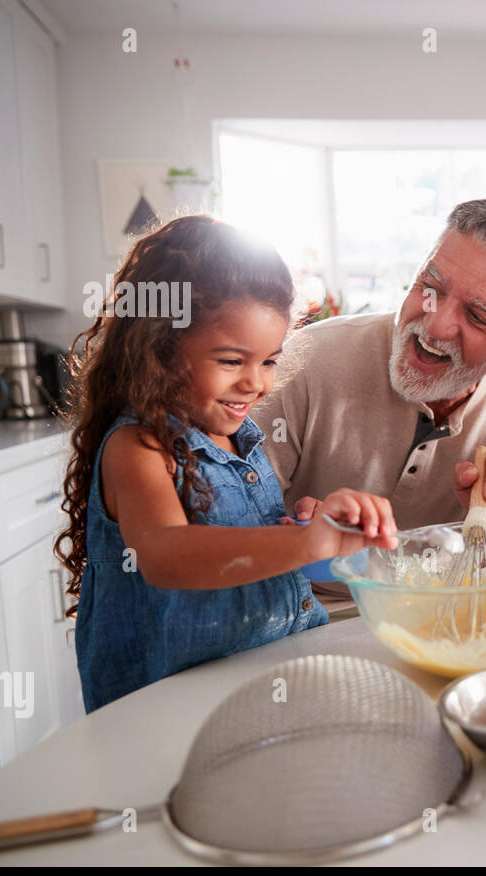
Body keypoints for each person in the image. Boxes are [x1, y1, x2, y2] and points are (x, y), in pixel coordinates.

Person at [57, 215, 396, 711]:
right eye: (233, 361)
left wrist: (304, 526)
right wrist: (300, 540)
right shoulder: (138, 448)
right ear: (160, 351)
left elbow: (241, 545)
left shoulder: (241, 440)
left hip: (261, 687)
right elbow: (166, 553)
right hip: (165, 713)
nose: (256, 383)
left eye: (270, 361)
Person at [252, 198, 486, 608]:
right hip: (295, 612)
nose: (434, 324)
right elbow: (223, 530)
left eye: (477, 316)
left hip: (439, 620)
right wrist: (297, 537)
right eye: (430, 288)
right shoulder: (305, 359)